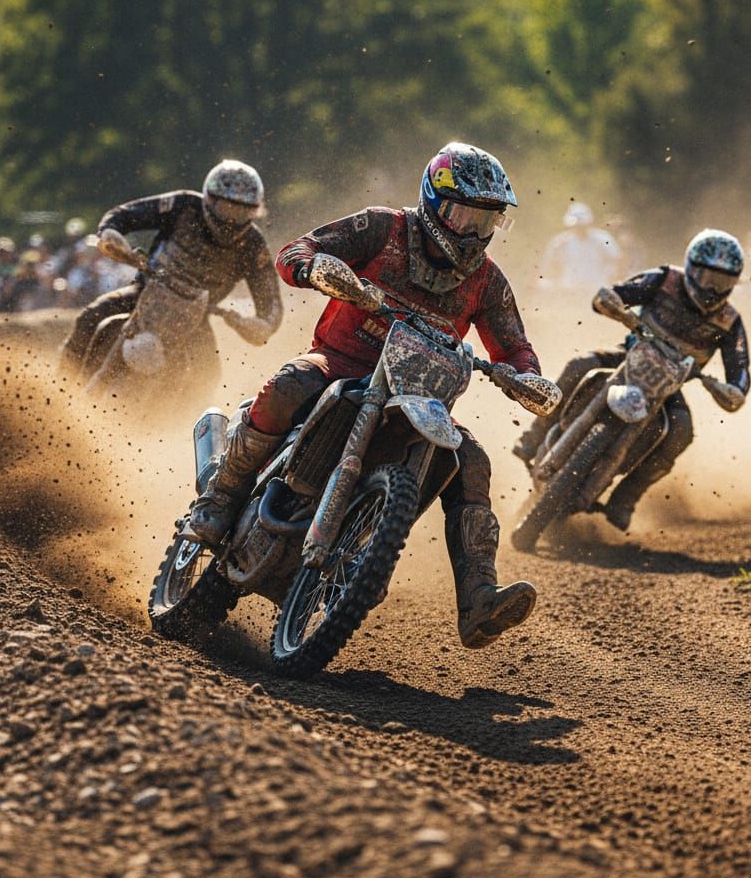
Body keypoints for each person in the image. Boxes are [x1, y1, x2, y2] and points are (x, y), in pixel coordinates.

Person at [190, 142, 552, 649]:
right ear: (432, 202)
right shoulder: (383, 228)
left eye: (484, 220)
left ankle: (478, 598)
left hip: (417, 399)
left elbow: (514, 347)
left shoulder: (488, 283)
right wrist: (317, 270)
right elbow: (296, 250)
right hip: (339, 362)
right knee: (288, 385)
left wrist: (528, 378)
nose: (471, 232)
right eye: (461, 215)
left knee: (472, 460)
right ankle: (221, 496)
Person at [515, 229, 751, 531]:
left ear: (735, 282)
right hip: (628, 357)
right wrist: (613, 302)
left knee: (681, 432)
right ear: (691, 268)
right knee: (579, 365)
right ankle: (535, 434)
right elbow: (619, 292)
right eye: (706, 277)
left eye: (722, 282)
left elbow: (740, 369)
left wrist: (734, 390)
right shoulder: (664, 279)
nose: (711, 288)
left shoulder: (729, 321)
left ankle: (625, 498)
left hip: (668, 388)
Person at [59, 160, 283, 375]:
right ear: (209, 199)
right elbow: (124, 215)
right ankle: (64, 383)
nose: (232, 220)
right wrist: (111, 232)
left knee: (208, 377)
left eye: (242, 212)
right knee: (90, 318)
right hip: (146, 292)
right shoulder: (183, 205)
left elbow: (271, 299)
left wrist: (263, 325)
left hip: (198, 316)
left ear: (254, 211)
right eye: (227, 209)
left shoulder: (253, 245)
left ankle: (181, 415)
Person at [538, 202, 623, 290]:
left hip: (597, 289)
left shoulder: (602, 238)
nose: (579, 228)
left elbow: (618, 259)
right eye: (577, 225)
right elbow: (550, 264)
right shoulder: (560, 242)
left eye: (582, 225)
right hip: (569, 289)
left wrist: (614, 278)